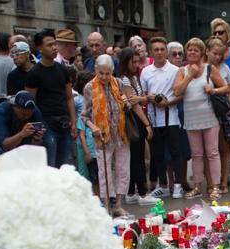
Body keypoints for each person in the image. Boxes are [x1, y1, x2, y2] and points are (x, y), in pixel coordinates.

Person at [175, 37, 229, 198]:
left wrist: (213, 90)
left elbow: (226, 88)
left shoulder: (209, 69)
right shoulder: (182, 71)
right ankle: (197, 186)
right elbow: (177, 91)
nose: (192, 52)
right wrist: (189, 76)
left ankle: (215, 187)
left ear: (202, 53)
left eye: (196, 50)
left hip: (210, 117)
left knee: (212, 152)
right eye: (190, 49)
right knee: (196, 154)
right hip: (191, 119)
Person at [79, 55, 132, 215]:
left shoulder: (119, 83)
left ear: (112, 72)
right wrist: (93, 126)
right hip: (101, 135)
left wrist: (127, 102)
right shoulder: (89, 87)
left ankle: (118, 205)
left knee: (123, 170)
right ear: (95, 70)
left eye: (107, 73)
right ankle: (107, 207)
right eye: (100, 73)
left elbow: (127, 104)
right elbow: (84, 115)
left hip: (121, 134)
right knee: (104, 171)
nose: (103, 77)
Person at [26, 29, 78, 169]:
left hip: (64, 122)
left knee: (64, 165)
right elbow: (31, 102)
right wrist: (37, 127)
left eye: (55, 44)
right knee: (50, 165)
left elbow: (69, 97)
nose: (54, 48)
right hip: (46, 123)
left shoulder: (62, 70)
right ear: (39, 48)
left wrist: (73, 121)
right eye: (50, 45)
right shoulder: (34, 73)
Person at [142, 36, 185, 198]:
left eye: (162, 49)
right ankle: (164, 185)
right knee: (157, 154)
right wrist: (150, 98)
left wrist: (167, 103)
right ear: (151, 52)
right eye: (156, 50)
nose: (159, 53)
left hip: (172, 118)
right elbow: (144, 95)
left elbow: (181, 95)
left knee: (175, 153)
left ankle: (179, 184)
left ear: (166, 52)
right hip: (154, 119)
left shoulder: (175, 70)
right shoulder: (146, 72)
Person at [114, 47, 158, 205]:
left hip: (134, 120)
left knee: (134, 157)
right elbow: (133, 102)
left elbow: (135, 99)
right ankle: (142, 194)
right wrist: (147, 123)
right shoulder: (126, 79)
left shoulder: (131, 77)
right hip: (134, 120)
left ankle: (132, 192)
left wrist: (140, 99)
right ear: (126, 62)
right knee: (137, 158)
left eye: (138, 61)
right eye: (133, 62)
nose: (137, 64)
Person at [207, 37, 230, 194]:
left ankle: (224, 182)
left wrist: (228, 105)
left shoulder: (225, 68)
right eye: (215, 53)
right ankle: (212, 182)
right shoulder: (202, 67)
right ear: (207, 52)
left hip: (222, 112)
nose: (217, 57)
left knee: (224, 148)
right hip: (206, 112)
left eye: (220, 54)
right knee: (210, 150)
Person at [0, 90, 46, 155]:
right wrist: (21, 134)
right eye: (23, 114)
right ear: (14, 107)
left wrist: (37, 139)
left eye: (29, 115)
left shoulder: (35, 111)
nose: (26, 117)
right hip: (2, 145)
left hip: (23, 143)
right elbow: (5, 145)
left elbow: (34, 147)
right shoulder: (0, 112)